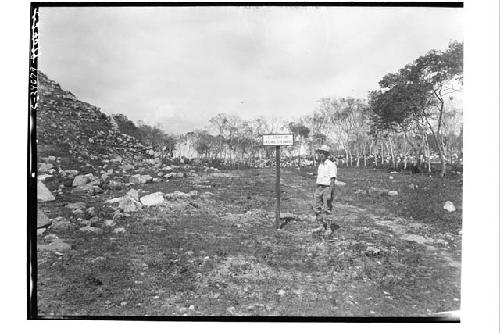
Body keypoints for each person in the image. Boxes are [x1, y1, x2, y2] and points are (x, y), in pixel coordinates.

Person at [312, 145, 338, 237]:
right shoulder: (321, 165)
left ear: (327, 154)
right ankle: (321, 226)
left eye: (323, 153)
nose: (321, 154)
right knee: (316, 207)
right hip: (319, 187)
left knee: (327, 208)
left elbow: (332, 180)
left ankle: (328, 228)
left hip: (327, 188)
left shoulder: (331, 165)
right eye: (320, 152)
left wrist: (330, 192)